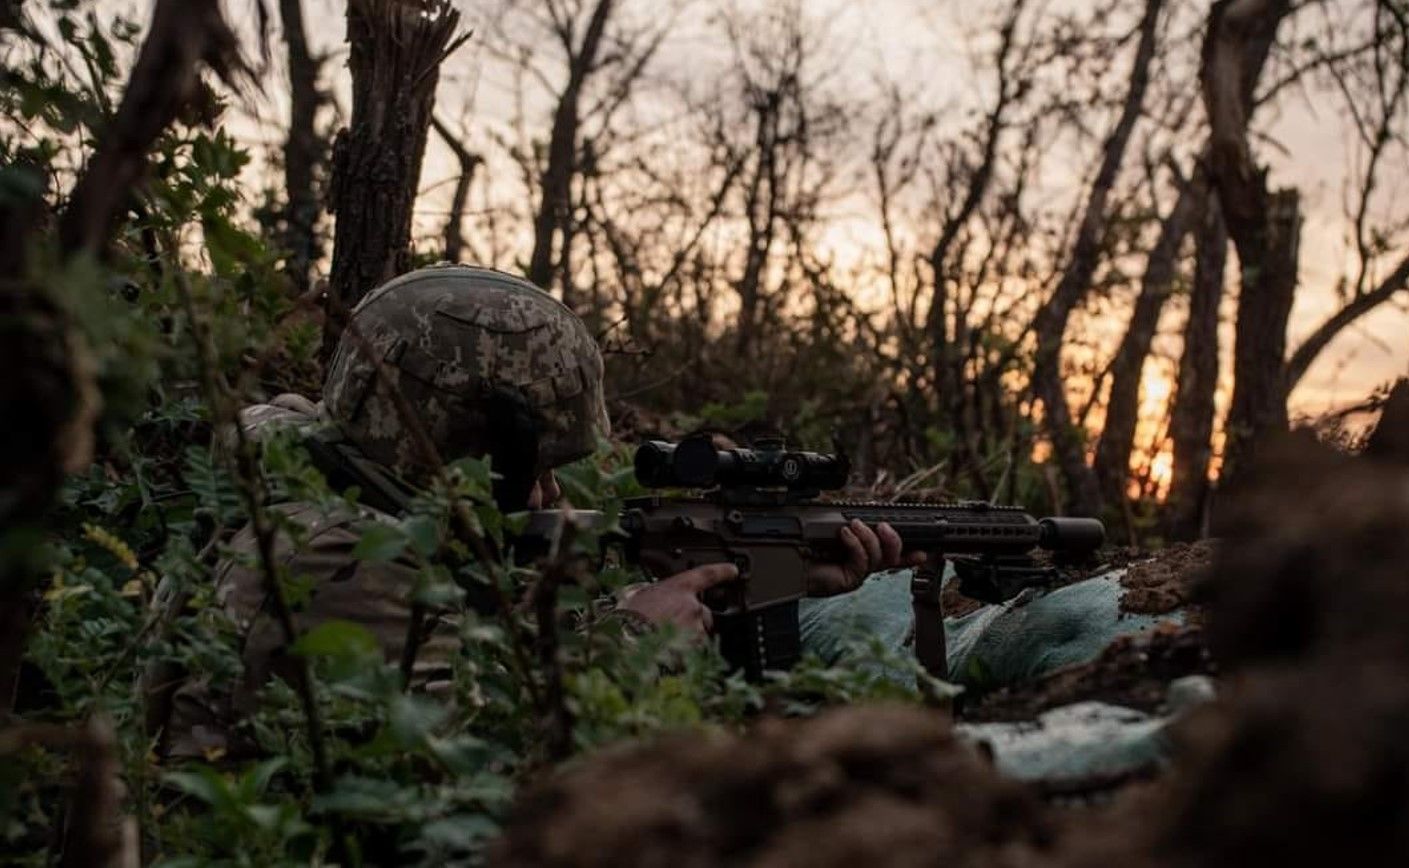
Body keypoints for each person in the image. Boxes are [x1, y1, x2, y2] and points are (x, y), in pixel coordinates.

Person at [143, 265, 911, 759]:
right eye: (536, 472)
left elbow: (458, 642)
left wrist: (774, 572)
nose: (549, 498)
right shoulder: (331, 553)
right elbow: (488, 739)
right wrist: (628, 638)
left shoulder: (314, 460)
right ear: (456, 447)